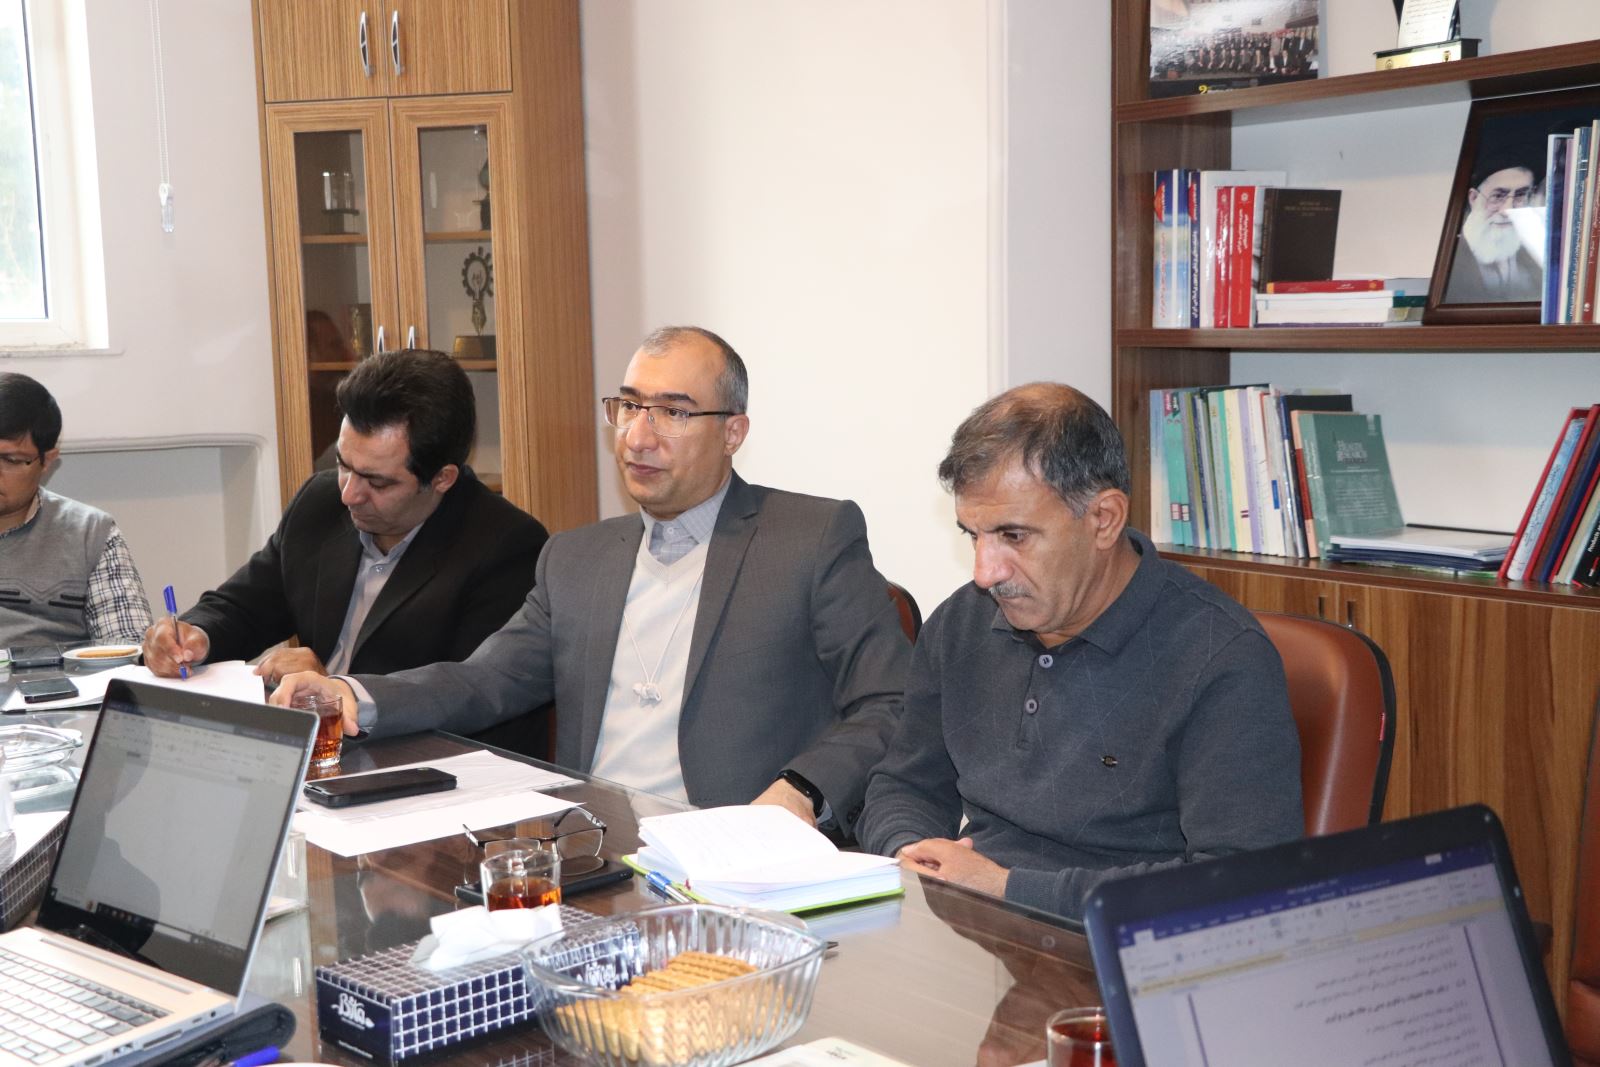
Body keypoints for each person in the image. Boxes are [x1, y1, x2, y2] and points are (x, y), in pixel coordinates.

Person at [271, 326, 910, 831]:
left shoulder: (809, 539)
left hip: (732, 853)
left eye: (673, 412)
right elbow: (487, 678)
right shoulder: (577, 558)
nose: (638, 436)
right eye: (629, 406)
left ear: (733, 432)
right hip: (590, 847)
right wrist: (352, 694)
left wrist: (801, 791)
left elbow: (890, 699)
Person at [856, 382, 1302, 920]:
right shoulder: (963, 622)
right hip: (973, 924)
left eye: (1013, 536)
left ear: (1104, 519)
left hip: (1119, 941)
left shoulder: (1220, 657)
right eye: (973, 535)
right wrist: (911, 850)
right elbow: (905, 782)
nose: (984, 572)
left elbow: (1236, 885)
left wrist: (1005, 887)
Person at [142, 349, 547, 691]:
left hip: (413, 754)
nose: (349, 493)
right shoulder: (319, 503)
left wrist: (334, 688)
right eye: (343, 465)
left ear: (442, 478)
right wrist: (195, 635)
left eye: (377, 481)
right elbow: (245, 607)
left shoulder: (505, 547)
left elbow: (466, 696)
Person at [0, 373, 153, 648]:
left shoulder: (91, 533)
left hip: (55, 674)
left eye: (10, 460)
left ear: (47, 460)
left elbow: (127, 648)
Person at [1446, 158, 1543, 304]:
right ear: (1474, 198)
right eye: (1497, 196)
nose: (1507, 210)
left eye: (1520, 195)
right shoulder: (1450, 260)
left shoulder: (1537, 258)